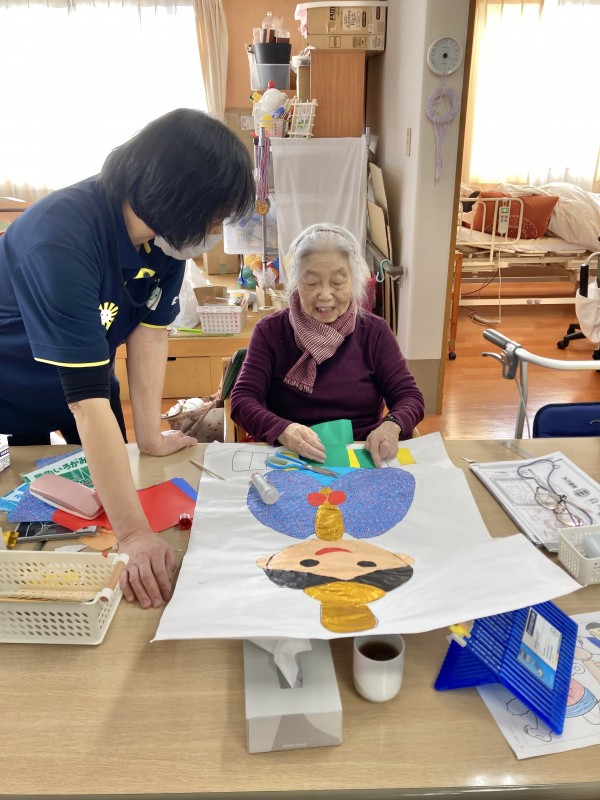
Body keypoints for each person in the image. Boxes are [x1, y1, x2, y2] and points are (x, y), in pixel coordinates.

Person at [0, 108, 255, 608]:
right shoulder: (62, 238)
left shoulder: (165, 241)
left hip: (88, 377)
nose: (215, 230)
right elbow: (85, 403)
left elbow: (149, 335)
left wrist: (151, 437)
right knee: (36, 510)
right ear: (177, 197)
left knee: (107, 505)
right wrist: (136, 535)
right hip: (15, 379)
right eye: (213, 216)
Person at [230, 223, 424, 467]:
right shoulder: (270, 332)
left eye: (337, 282)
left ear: (354, 282)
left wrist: (392, 425)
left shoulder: (374, 332)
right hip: (289, 456)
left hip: (362, 455)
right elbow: (243, 399)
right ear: (295, 283)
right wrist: (283, 430)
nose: (325, 295)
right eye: (311, 283)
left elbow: (409, 397)